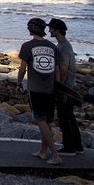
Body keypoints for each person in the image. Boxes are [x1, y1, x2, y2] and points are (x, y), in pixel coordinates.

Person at [17, 17, 62, 165]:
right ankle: (43, 152)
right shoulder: (52, 47)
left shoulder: (27, 46)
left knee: (40, 121)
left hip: (35, 89)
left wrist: (18, 83)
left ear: (30, 29)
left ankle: (55, 155)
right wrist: (59, 87)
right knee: (47, 122)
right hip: (51, 90)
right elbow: (56, 70)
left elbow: (23, 68)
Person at [48, 17, 84, 155]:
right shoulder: (64, 45)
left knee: (64, 117)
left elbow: (63, 69)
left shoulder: (62, 48)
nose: (49, 30)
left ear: (57, 31)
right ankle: (78, 145)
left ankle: (69, 147)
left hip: (65, 88)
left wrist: (58, 86)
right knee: (70, 116)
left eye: (51, 28)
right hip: (69, 86)